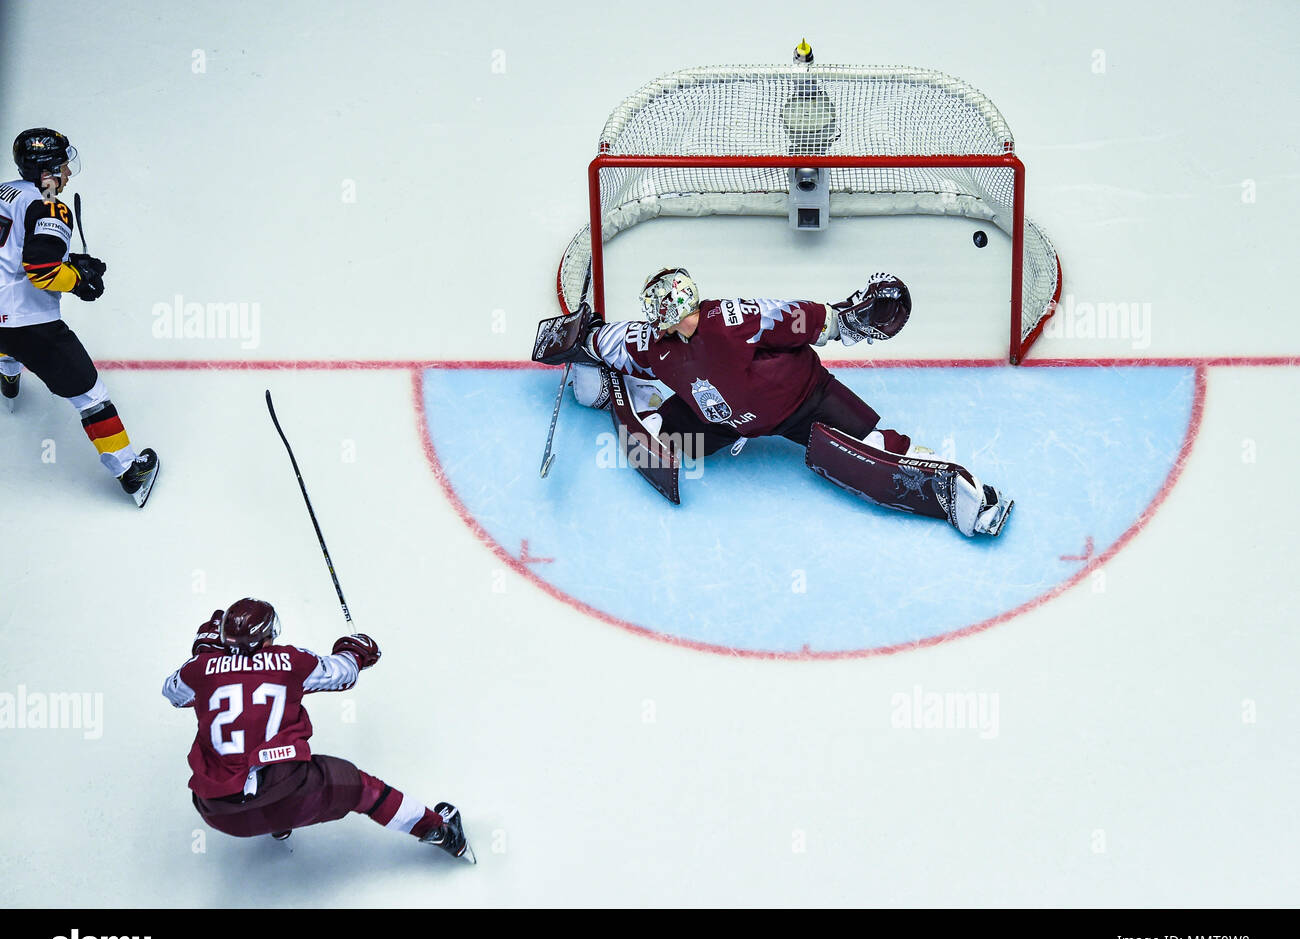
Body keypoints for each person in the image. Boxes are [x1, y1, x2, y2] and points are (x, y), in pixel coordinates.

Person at [542, 267, 1012, 537]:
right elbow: (619, 342)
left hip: (805, 401)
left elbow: (791, 317)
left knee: (871, 442)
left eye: (670, 305)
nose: (667, 315)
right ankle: (611, 392)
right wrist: (584, 337)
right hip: (723, 422)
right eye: (664, 310)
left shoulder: (731, 319)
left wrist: (841, 320)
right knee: (664, 438)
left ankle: (962, 496)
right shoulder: (654, 344)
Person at [161, 598, 474, 862]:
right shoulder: (289, 661)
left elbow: (174, 694)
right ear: (268, 635)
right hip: (290, 790)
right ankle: (441, 832)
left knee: (253, 767)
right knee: (363, 789)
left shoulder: (198, 670)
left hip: (218, 812)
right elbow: (344, 675)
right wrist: (355, 650)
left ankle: (278, 825)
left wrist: (203, 655)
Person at [0, 128, 158, 506]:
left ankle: (8, 376)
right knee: (90, 395)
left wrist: (68, 261)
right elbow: (40, 270)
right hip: (28, 324)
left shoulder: (6, 191)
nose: (68, 172)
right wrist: (79, 280)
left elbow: (15, 251)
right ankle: (129, 471)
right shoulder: (50, 204)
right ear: (46, 170)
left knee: (7, 344)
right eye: (62, 165)